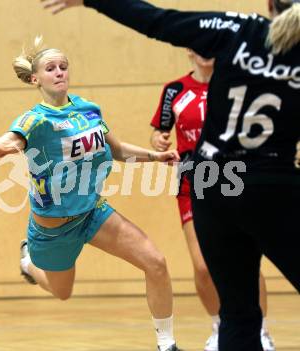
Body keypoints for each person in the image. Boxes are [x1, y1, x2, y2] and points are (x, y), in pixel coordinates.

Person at [41, 1, 300, 350]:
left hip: (212, 181)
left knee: (238, 314)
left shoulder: (238, 28)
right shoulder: (179, 87)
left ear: (271, 4)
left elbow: (157, 21)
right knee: (228, 295)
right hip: (269, 181)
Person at [0, 37, 183, 351]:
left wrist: (154, 156)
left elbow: (116, 150)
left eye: (63, 66)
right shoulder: (34, 120)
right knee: (63, 292)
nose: (60, 72)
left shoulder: (89, 110)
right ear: (36, 78)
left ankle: (166, 343)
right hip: (53, 228)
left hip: (93, 213)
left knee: (155, 262)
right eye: (51, 68)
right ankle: (28, 262)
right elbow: (2, 148)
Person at [150, 49, 275, 351]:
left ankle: (259, 330)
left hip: (236, 178)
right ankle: (221, 325)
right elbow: (158, 132)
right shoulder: (175, 90)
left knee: (245, 261)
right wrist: (158, 141)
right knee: (204, 267)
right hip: (194, 182)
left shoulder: (235, 84)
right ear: (189, 51)